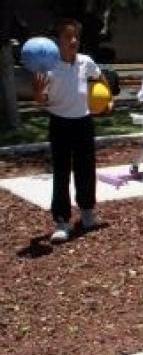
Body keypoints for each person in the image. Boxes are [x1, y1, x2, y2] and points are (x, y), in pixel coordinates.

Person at [31, 19, 111, 243]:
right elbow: (41, 101)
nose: (73, 41)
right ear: (58, 41)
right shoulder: (48, 67)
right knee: (61, 172)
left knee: (86, 168)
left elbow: (100, 79)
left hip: (84, 122)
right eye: (67, 37)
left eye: (76, 36)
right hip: (60, 123)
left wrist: (108, 100)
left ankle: (87, 213)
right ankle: (62, 221)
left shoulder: (86, 62)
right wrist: (37, 91)